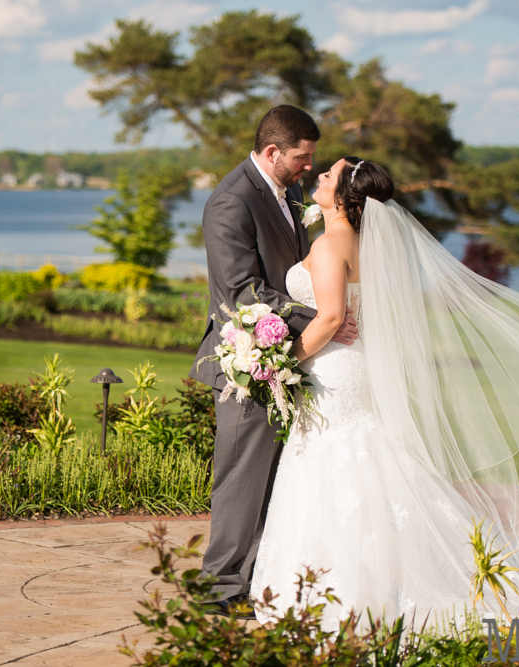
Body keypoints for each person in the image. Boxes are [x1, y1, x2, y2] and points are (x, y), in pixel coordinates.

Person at [250, 157, 519, 628]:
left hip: (333, 371)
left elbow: (329, 318)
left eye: (328, 175)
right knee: (367, 459)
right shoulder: (366, 245)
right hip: (355, 368)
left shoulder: (327, 246)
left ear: (344, 197)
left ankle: (337, 589)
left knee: (332, 461)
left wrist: (279, 362)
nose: (318, 176)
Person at [189, 106, 358, 617]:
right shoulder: (231, 202)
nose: (310, 167)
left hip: (290, 359)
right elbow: (244, 293)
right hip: (249, 362)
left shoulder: (289, 193)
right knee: (241, 476)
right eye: (303, 158)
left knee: (273, 478)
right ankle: (218, 590)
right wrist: (320, 317)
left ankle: (257, 577)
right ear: (272, 152)